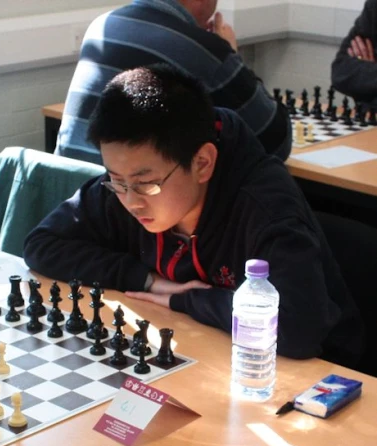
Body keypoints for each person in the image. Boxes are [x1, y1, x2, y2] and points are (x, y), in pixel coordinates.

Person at [25, 65, 364, 368]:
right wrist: (149, 280)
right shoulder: (127, 182)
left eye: (146, 184)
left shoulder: (266, 207)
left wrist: (187, 299)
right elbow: (42, 244)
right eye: (116, 180)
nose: (130, 202)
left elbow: (299, 329)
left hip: (314, 374)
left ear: (202, 163)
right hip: (202, 348)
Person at [54, 0, 292, 164]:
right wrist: (229, 53)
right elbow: (276, 141)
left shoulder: (101, 26)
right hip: (123, 211)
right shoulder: (201, 49)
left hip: (69, 196)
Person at [331, 0, 377, 104]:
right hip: (369, 116)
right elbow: (340, 72)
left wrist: (368, 70)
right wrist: (370, 68)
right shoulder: (374, 7)